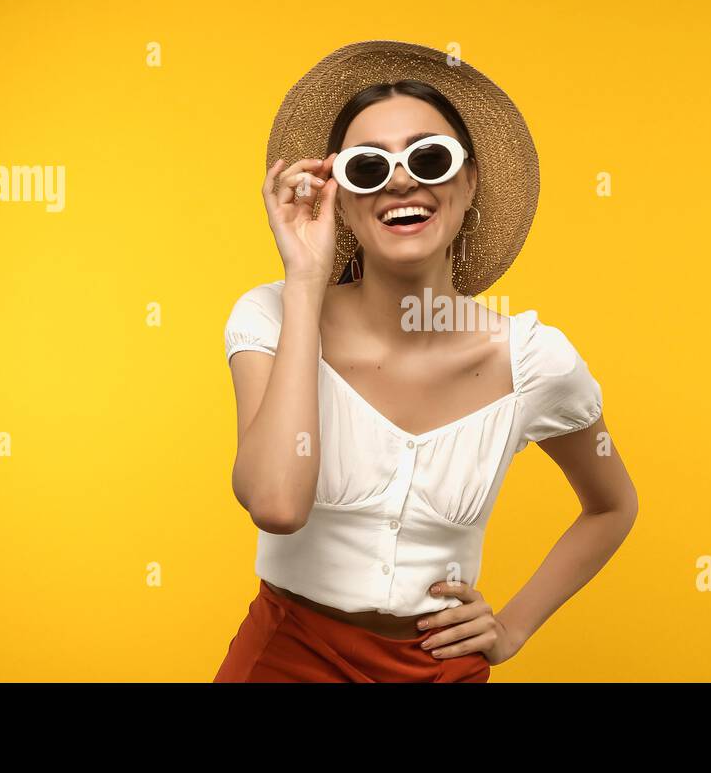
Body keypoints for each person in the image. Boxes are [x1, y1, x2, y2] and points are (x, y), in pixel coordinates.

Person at [214, 40, 638, 683]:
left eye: (429, 158)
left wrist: (513, 626)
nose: (401, 181)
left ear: (469, 183)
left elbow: (612, 506)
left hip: (441, 672)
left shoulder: (532, 360)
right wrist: (305, 280)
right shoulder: (271, 317)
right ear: (342, 202)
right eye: (367, 169)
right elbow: (276, 503)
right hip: (287, 658)